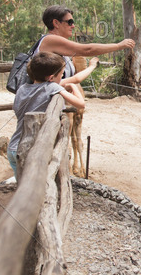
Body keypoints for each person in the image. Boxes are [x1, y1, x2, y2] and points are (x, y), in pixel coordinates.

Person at [7, 52, 88, 182]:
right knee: (37, 190)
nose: (62, 77)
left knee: (22, 189)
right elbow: (80, 103)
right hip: (31, 150)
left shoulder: (22, 89)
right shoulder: (52, 87)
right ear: (51, 77)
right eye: (61, 75)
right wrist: (73, 86)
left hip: (13, 148)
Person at [36, 5, 135, 79]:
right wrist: (118, 46)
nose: (73, 26)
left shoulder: (61, 50)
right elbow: (87, 50)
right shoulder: (50, 40)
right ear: (56, 23)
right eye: (69, 22)